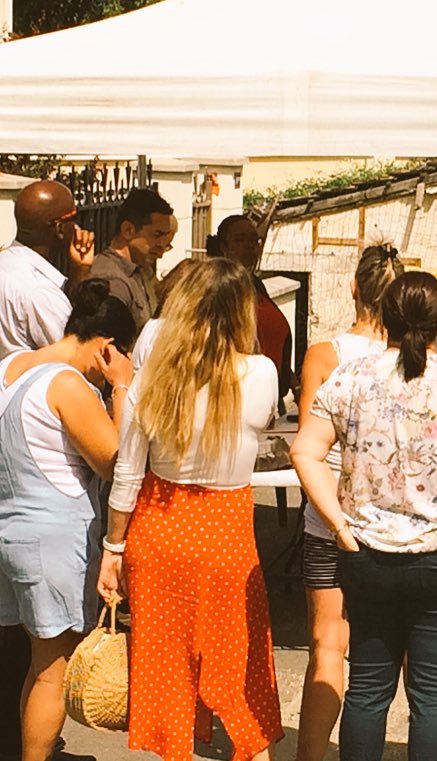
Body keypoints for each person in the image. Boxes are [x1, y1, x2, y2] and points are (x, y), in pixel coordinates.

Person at [291, 271, 437, 761]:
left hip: (368, 553)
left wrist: (338, 524)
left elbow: (305, 452)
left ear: (384, 317)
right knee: (435, 698)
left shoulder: (352, 378)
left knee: (368, 689)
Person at [96, 258, 283, 761]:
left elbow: (128, 472)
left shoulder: (154, 377)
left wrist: (113, 547)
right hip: (226, 530)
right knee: (238, 663)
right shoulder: (261, 373)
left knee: (166, 672)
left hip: (160, 524)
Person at [0, 280, 134, 761]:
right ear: (107, 349)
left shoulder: (14, 370)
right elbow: (115, 461)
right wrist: (122, 388)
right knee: (51, 671)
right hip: (53, 539)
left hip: (13, 529)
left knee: (34, 667)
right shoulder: (68, 384)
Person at [292, 244, 403, 761]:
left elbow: (309, 431)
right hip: (388, 519)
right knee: (384, 652)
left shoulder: (325, 355)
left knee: (326, 646)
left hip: (328, 508)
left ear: (354, 288)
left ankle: (311, 754)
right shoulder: (411, 358)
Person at [0, 179, 95, 761]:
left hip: (12, 423)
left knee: (20, 641)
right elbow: (73, 346)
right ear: (61, 225)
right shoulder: (32, 285)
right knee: (48, 655)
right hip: (43, 427)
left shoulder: (15, 269)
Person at [0, 180, 95, 358]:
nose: (77, 227)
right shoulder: (39, 291)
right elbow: (76, 354)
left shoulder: (6, 263)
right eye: (74, 218)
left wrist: (80, 267)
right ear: (59, 228)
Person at [208, 215, 296, 405]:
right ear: (223, 246)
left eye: (254, 240)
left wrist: (292, 380)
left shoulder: (255, 285)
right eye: (239, 240)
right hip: (238, 398)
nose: (249, 246)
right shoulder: (218, 290)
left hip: (270, 397)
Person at [89, 188, 175, 337]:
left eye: (165, 236)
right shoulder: (112, 279)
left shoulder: (138, 270)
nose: (162, 244)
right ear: (128, 230)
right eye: (157, 234)